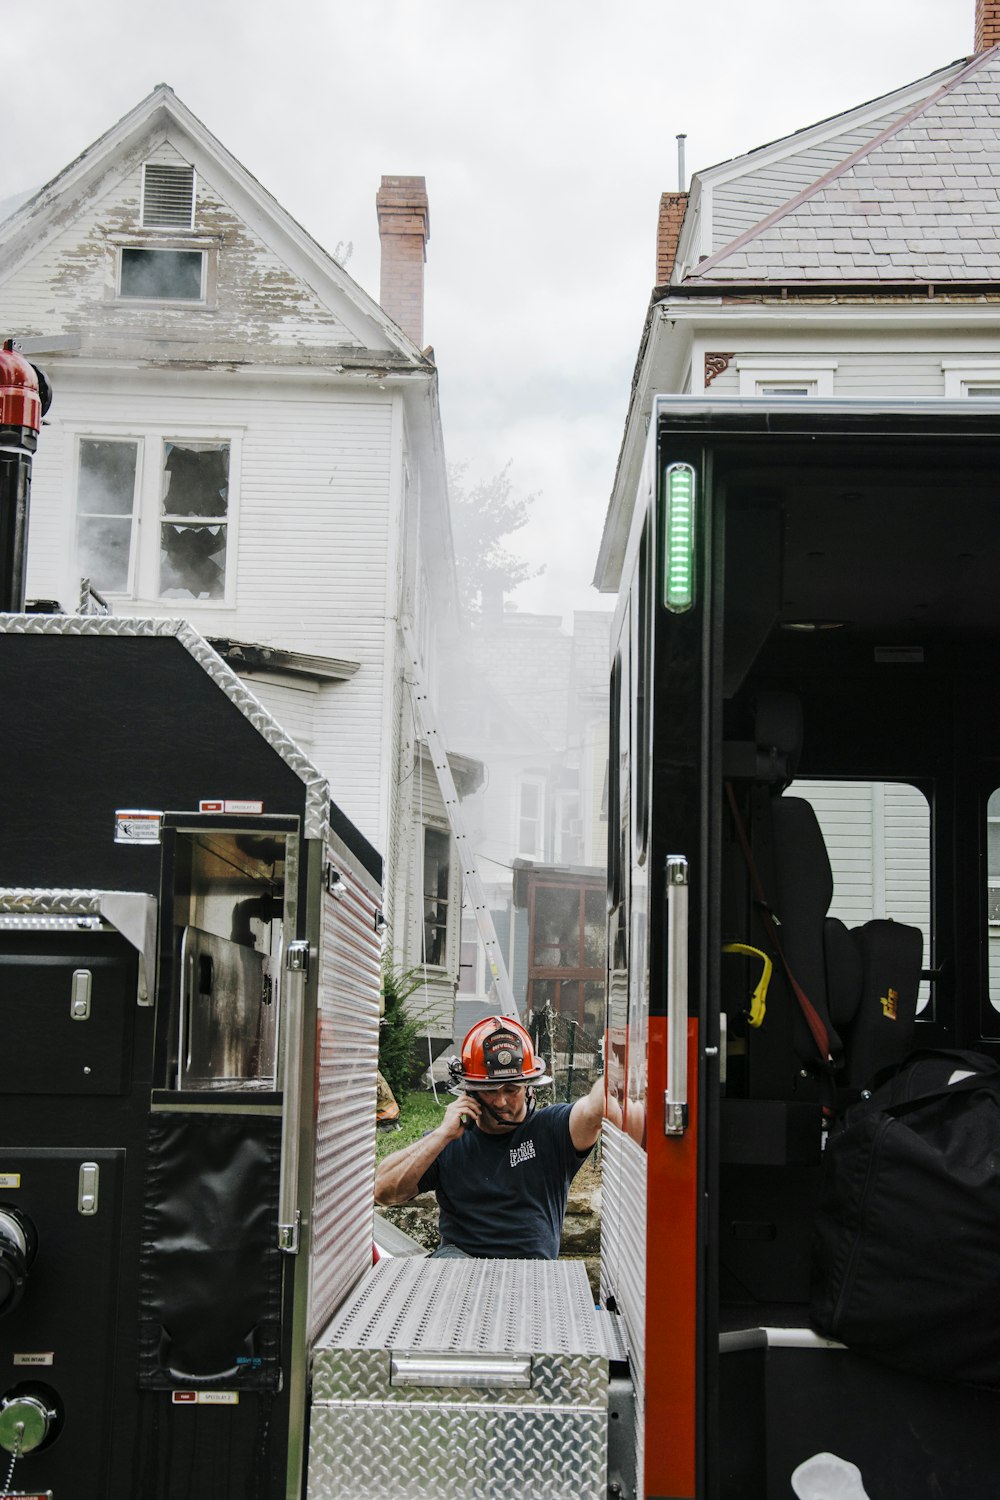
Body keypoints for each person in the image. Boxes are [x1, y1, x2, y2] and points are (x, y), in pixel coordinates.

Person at [373, 1014, 614, 1259]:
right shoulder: (448, 1142)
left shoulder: (551, 1129)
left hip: (530, 1278)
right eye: (489, 1091)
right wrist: (441, 1136)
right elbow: (383, 1191)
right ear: (469, 1091)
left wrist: (616, 1086)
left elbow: (591, 1109)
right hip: (459, 1274)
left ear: (529, 1087)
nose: (501, 1101)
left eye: (511, 1090)